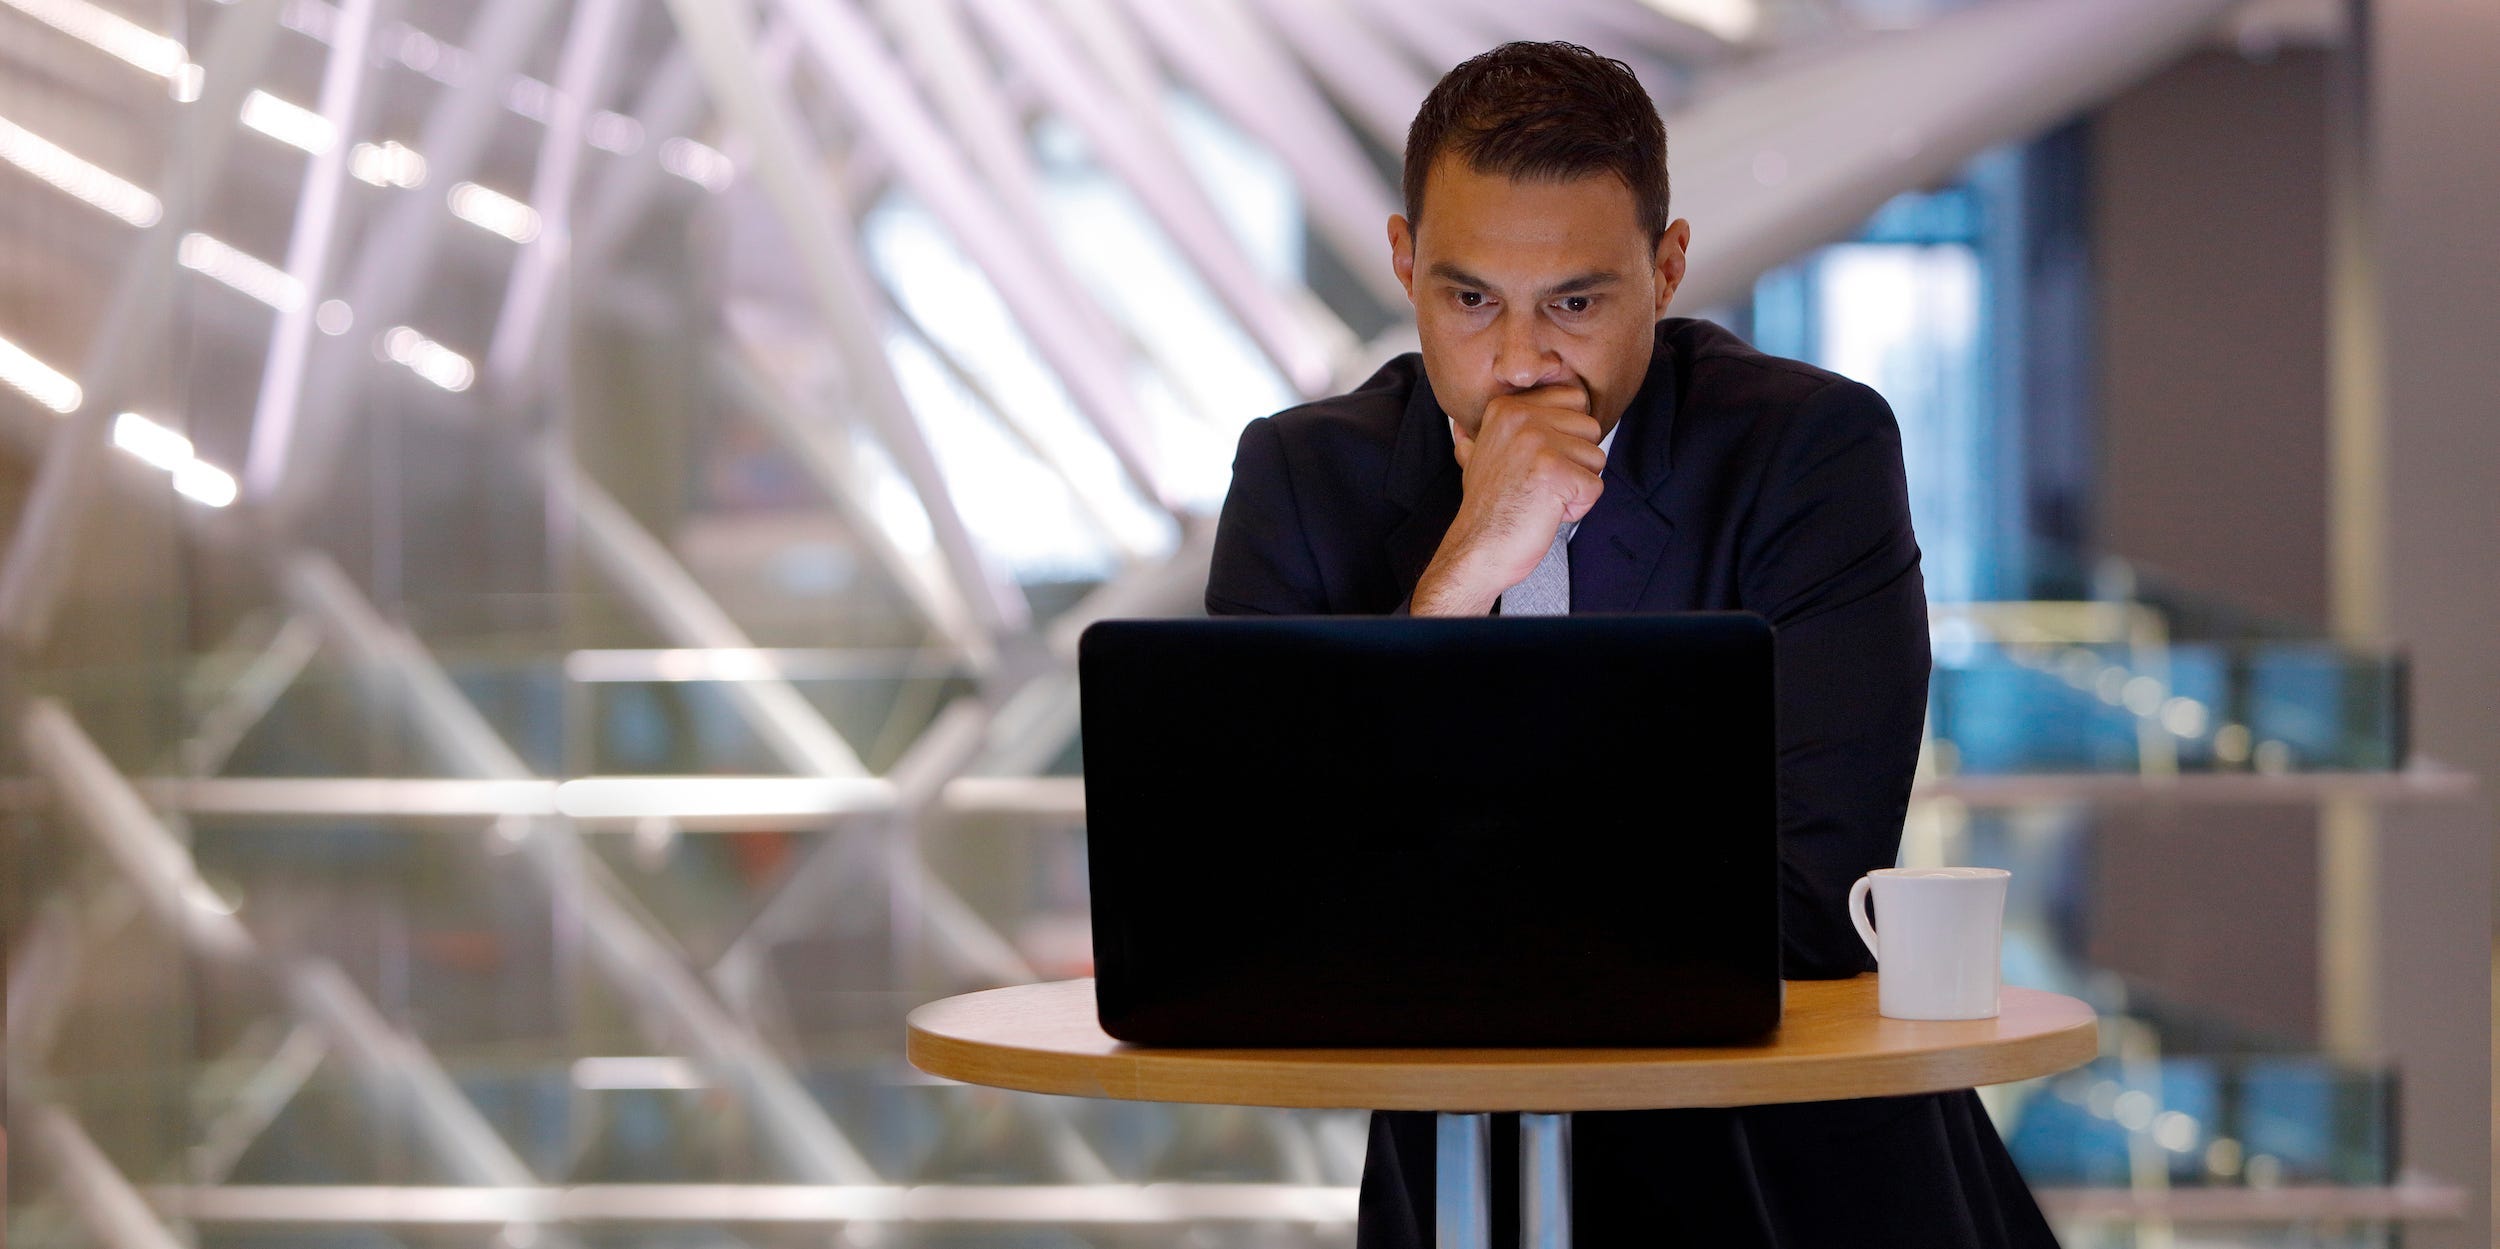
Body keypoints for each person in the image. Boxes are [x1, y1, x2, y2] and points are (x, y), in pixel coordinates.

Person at [1204, 41, 2058, 1249]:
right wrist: (1458, 578)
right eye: (1468, 299)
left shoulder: (1806, 455)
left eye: (1576, 303)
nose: (1519, 361)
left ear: (1666, 268)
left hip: (1802, 1186)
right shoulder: (1303, 478)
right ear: (1402, 262)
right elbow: (1259, 914)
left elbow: (1804, 907)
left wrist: (1426, 895)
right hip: (1462, 1187)